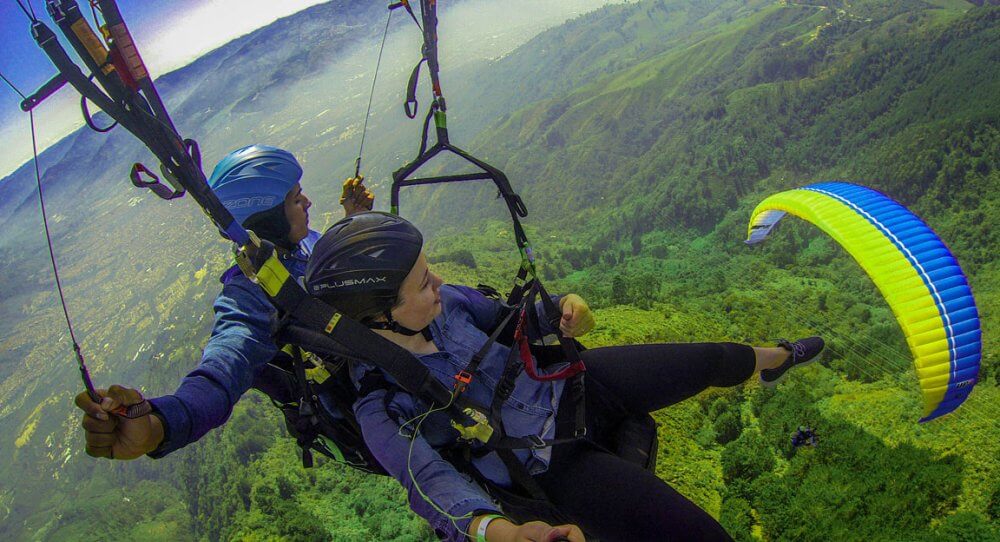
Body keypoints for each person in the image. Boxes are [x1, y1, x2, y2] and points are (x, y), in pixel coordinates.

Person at [303, 211, 826, 542]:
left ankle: (774, 359)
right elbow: (428, 482)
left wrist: (564, 312)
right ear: (378, 318)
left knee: (710, 359)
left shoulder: (451, 304)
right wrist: (499, 531)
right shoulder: (381, 405)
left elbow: (515, 325)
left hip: (573, 384)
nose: (438, 280)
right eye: (422, 282)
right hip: (550, 463)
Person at [74, 144, 372, 460]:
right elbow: (223, 368)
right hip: (368, 409)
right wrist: (159, 424)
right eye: (296, 199)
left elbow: (331, 269)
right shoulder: (250, 295)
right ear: (269, 218)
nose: (308, 202)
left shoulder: (299, 246)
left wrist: (356, 220)